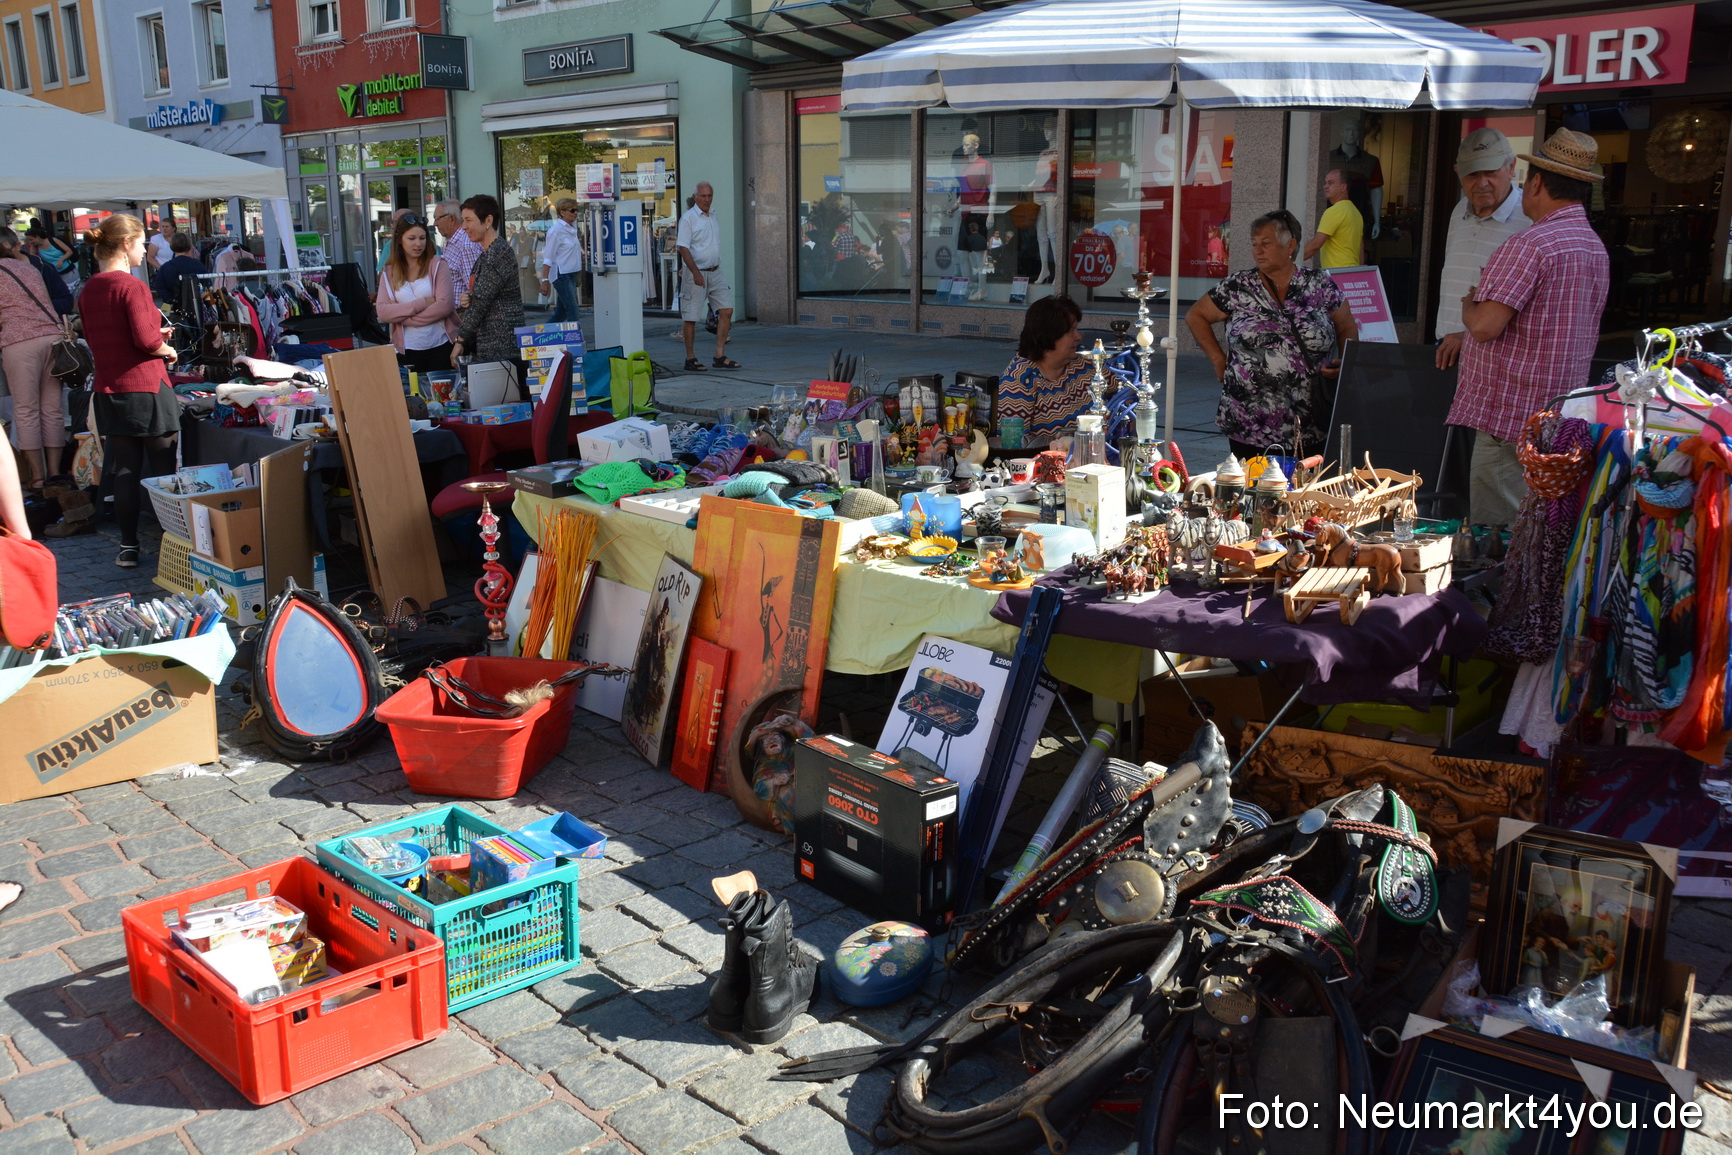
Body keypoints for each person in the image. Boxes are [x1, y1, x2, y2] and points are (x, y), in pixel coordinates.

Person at [1448, 128, 1609, 527]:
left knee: (1502, 534)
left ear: (1535, 182)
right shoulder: (1593, 245)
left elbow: (1484, 326)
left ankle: (1504, 591)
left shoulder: (1531, 243)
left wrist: (1469, 304)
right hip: (1559, 414)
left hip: (1511, 419)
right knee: (1540, 530)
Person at [1186, 210, 1357, 458]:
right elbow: (1196, 316)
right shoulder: (1238, 286)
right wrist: (1217, 358)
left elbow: (1347, 325)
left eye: (1265, 244)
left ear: (1290, 245)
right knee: (1254, 489)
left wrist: (1345, 363)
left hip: (1309, 419)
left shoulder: (1319, 284)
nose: (1258, 251)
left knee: (1304, 492)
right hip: (1249, 418)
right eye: (1255, 245)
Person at [79, 214, 179, 569]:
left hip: (110, 389)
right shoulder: (132, 285)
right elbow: (145, 339)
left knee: (125, 471)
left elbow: (99, 337)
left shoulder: (88, 288)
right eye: (140, 243)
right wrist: (166, 348)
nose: (143, 250)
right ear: (125, 243)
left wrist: (153, 340)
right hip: (147, 388)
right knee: (164, 470)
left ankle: (128, 547)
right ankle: (174, 547)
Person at [1434, 128, 1529, 370]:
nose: (1482, 183)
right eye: (1472, 174)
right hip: (1444, 349)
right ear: (1458, 173)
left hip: (1495, 357)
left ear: (1511, 167)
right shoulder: (1459, 210)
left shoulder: (1529, 219)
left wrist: (1467, 337)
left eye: (1491, 171)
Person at [0, 227, 68, 490]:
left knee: (26, 410)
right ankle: (54, 473)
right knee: (52, 409)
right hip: (52, 339)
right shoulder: (30, 268)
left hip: (19, 342)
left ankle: (38, 478)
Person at [996, 295, 1093, 441]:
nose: (1078, 336)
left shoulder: (1081, 365)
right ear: (1049, 336)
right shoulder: (1019, 381)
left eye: (1076, 329)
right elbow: (1013, 445)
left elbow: (1124, 390)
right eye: (1070, 331)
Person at [450, 194, 526, 375]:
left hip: (501, 346)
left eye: (469, 220)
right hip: (492, 343)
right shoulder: (488, 253)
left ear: (488, 220)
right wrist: (469, 297)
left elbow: (480, 303)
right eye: (463, 220)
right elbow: (480, 295)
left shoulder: (497, 254)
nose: (464, 226)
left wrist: (460, 341)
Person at [376, 215, 457, 375]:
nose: (418, 244)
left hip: (441, 346)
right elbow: (383, 312)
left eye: (422, 238)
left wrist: (402, 316)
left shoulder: (438, 264)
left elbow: (444, 305)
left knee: (443, 396)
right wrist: (422, 303)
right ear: (400, 240)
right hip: (407, 350)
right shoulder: (389, 271)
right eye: (411, 238)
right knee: (414, 398)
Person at [676, 181, 738, 372]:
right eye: (703, 196)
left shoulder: (713, 215)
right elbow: (683, 247)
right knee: (691, 317)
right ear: (695, 197)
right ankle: (690, 358)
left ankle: (719, 355)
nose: (707, 199)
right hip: (696, 272)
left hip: (715, 271)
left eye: (709, 195)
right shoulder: (689, 218)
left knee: (726, 310)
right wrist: (694, 272)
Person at [1304, 170, 1363, 269]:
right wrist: (1360, 273)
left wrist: (1287, 260)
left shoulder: (1334, 211)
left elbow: (1315, 245)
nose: (1325, 186)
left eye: (1330, 183)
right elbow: (1360, 247)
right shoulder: (1355, 212)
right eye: (1325, 183)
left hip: (1337, 274)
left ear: (1343, 187)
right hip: (1352, 273)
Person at [538, 198, 584, 325]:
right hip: (561, 274)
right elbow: (548, 257)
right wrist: (544, 281)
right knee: (573, 311)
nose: (575, 213)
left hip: (572, 273)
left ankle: (542, 335)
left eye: (576, 210)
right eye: (572, 210)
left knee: (561, 313)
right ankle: (575, 340)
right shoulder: (555, 231)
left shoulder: (573, 228)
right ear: (562, 212)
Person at [432, 199, 482, 306]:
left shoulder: (465, 245)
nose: (435, 224)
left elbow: (475, 290)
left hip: (462, 314)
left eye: (437, 219)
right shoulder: (452, 242)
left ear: (451, 219)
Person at [152, 232, 207, 303]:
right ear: (189, 246)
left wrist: (169, 299)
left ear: (172, 246)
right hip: (196, 305)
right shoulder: (199, 265)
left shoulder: (166, 267)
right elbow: (206, 284)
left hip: (174, 306)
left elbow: (159, 286)